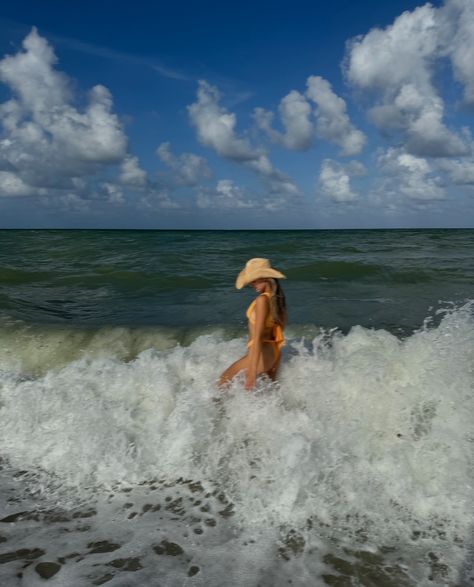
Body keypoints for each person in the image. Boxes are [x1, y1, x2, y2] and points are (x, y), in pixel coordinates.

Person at [219, 258, 287, 390]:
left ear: (265, 277)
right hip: (272, 355)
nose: (251, 283)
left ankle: (217, 411)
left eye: (254, 280)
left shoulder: (262, 300)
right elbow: (277, 334)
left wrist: (251, 371)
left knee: (222, 382)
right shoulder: (278, 302)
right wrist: (275, 364)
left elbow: (257, 338)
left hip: (260, 355)